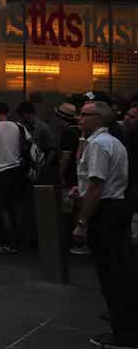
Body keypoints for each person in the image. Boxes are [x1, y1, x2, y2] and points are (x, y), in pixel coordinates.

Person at [71, 101, 138, 348]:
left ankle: (124, 333)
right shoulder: (112, 142)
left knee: (111, 274)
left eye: (84, 115)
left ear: (98, 118)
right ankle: (126, 327)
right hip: (116, 208)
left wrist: (82, 222)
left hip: (106, 212)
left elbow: (97, 187)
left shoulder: (99, 144)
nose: (79, 118)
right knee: (119, 270)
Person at [0, 103, 27, 254]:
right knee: (18, 207)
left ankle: (10, 243)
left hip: (2, 171)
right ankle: (21, 241)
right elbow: (23, 147)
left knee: (4, 208)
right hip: (18, 170)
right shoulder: (18, 126)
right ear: (8, 112)